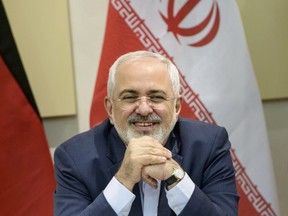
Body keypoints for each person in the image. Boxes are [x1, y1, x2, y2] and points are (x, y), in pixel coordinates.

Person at [54, 50, 239, 216]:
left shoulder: (210, 145)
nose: (143, 109)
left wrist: (175, 177)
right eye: (130, 97)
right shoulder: (74, 158)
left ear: (176, 107)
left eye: (156, 97)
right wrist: (123, 180)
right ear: (110, 109)